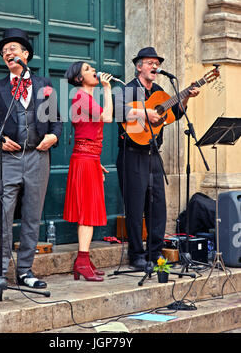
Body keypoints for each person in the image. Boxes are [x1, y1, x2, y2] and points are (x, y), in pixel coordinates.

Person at [0, 28, 63, 294]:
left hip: (38, 157)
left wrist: (53, 138)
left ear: (26, 54)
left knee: (32, 216)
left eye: (13, 49)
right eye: (4, 52)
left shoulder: (44, 85)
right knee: (3, 216)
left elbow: (57, 121)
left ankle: (25, 271)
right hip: (8, 160)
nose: (8, 54)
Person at [115, 47, 200, 270]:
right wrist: (145, 113)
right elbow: (115, 110)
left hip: (153, 154)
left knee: (158, 206)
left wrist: (186, 98)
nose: (154, 66)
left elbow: (173, 115)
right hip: (131, 155)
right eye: (149, 62)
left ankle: (154, 254)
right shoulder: (127, 89)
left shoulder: (161, 90)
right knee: (135, 208)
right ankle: (136, 256)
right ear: (138, 66)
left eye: (156, 63)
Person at [63, 62, 113, 281]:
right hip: (84, 160)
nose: (93, 70)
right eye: (87, 69)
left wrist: (96, 161)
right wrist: (108, 89)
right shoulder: (81, 97)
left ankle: (84, 260)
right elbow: (108, 118)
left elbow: (88, 135)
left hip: (89, 158)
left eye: (92, 67)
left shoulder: (88, 99)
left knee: (88, 211)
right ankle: (82, 261)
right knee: (87, 212)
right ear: (78, 78)